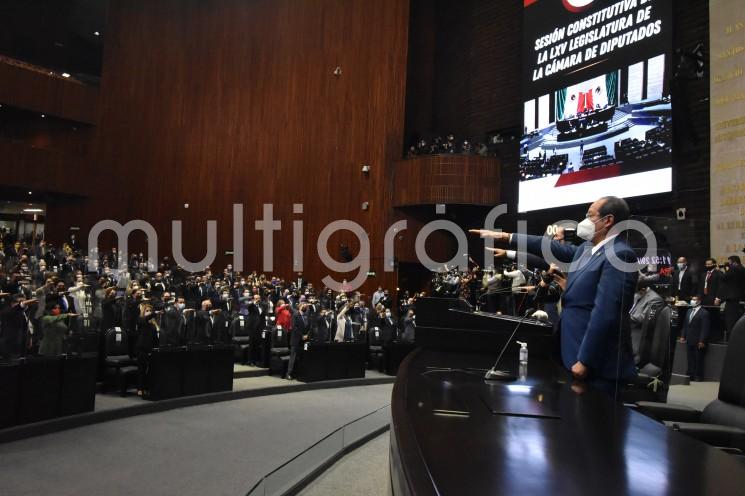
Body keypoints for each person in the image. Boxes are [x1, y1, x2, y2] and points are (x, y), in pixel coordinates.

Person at [472, 196, 637, 395]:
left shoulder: (619, 254)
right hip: (571, 353)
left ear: (608, 220)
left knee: (596, 422)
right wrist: (507, 237)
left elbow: (606, 313)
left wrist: (585, 360)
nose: (583, 222)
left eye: (590, 215)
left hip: (596, 365)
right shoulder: (587, 249)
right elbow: (547, 246)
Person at [679, 295, 710, 381]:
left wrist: (702, 340)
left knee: (698, 359)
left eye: (694, 299)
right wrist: (682, 335)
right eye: (692, 299)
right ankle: (690, 375)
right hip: (689, 339)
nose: (692, 301)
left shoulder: (704, 313)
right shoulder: (689, 311)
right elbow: (685, 325)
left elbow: (705, 328)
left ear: (699, 301)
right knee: (690, 358)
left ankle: (698, 376)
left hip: (698, 340)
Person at [716, 256, 745, 337]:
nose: (729, 264)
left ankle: (731, 338)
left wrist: (719, 271)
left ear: (734, 262)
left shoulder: (734, 269)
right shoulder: (742, 269)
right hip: (740, 297)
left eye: (730, 262)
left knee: (730, 320)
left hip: (732, 299)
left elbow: (724, 278)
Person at [135, 304, 160, 396]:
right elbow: (144, 320)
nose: (149, 312)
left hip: (151, 349)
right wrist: (154, 313)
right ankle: (140, 388)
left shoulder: (153, 325)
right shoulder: (140, 320)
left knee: (150, 370)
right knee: (142, 370)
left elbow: (155, 338)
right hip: (141, 349)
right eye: (147, 311)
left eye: (150, 310)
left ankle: (148, 387)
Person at [287, 303, 310, 380]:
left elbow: (309, 327)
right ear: (300, 307)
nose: (305, 307)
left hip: (304, 340)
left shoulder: (306, 316)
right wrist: (302, 336)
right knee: (293, 357)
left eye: (306, 306)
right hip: (296, 339)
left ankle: (298, 373)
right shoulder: (295, 315)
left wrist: (307, 335)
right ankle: (289, 373)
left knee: (301, 357)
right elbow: (294, 327)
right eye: (304, 306)